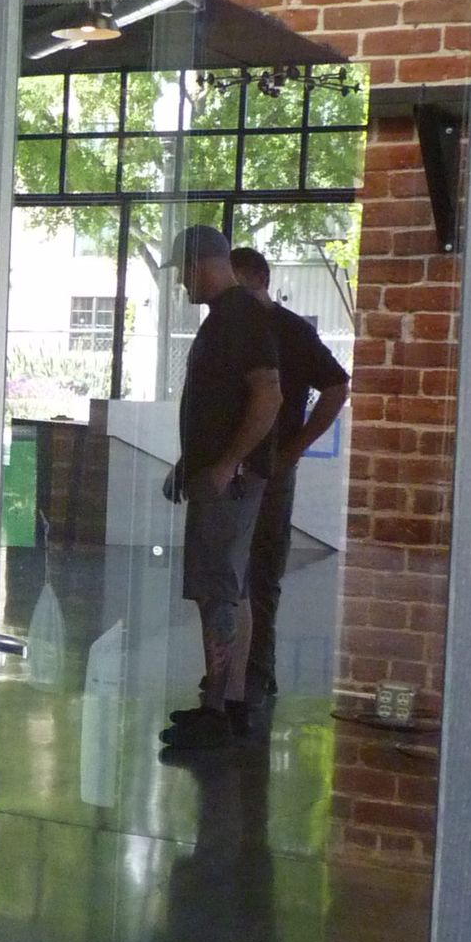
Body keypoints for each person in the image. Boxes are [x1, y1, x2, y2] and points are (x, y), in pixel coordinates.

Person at [160, 225, 282, 752]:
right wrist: (191, 461)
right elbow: (220, 406)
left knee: (216, 591)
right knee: (227, 589)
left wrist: (226, 464)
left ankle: (220, 709)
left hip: (228, 483)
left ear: (202, 264)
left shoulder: (241, 318)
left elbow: (268, 397)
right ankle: (226, 703)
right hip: (217, 474)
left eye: (183, 272)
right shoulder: (225, 320)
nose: (181, 284)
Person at [228, 245, 351, 702]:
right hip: (236, 465)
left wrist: (293, 448)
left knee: (260, 571)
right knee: (230, 571)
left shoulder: (290, 331)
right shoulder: (229, 327)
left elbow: (337, 386)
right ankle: (234, 672)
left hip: (269, 467)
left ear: (259, 279)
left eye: (237, 282)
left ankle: (257, 669)